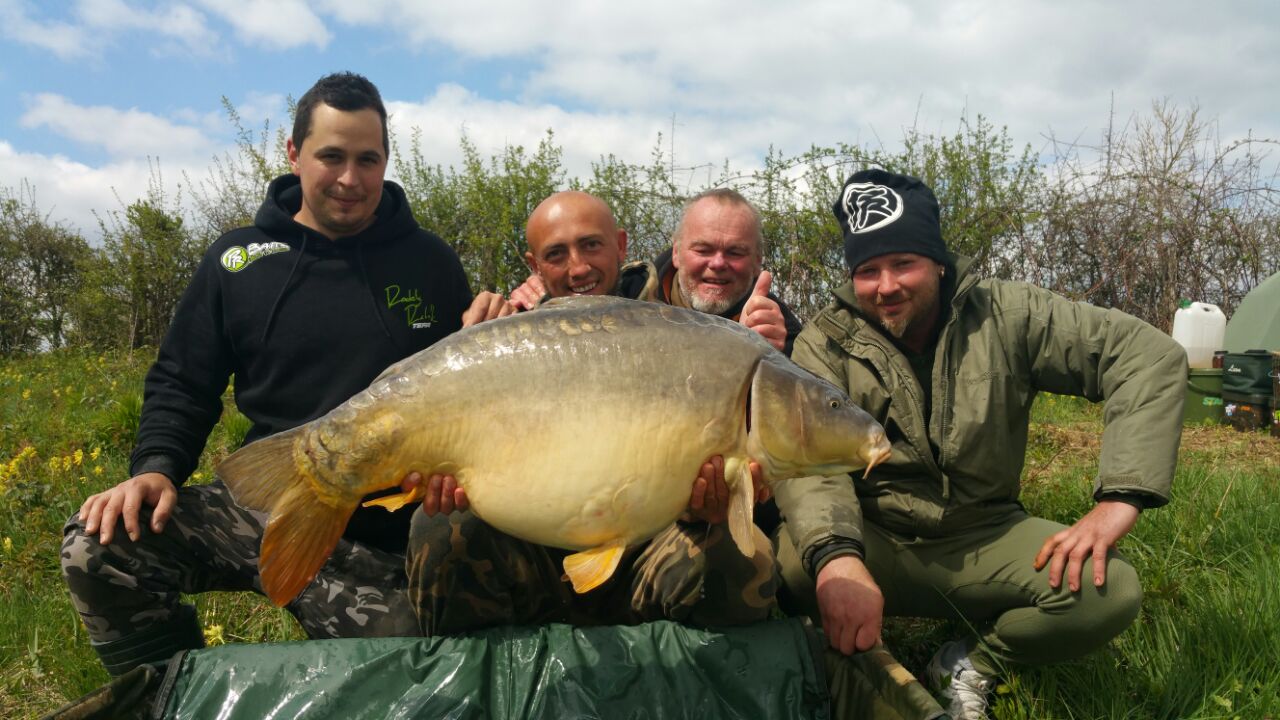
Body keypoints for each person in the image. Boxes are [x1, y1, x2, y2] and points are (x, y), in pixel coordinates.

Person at [60, 72, 485, 677]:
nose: (350, 179)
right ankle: (168, 698)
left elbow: (463, 393)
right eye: (331, 156)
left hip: (377, 540)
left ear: (387, 161)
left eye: (369, 160)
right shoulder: (236, 260)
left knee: (416, 678)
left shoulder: (432, 261)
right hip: (258, 511)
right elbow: (183, 381)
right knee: (97, 545)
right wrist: (155, 469)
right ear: (293, 153)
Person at [772, 168, 1186, 719]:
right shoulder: (824, 342)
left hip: (983, 531)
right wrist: (835, 560)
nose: (886, 285)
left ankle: (972, 664)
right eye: (867, 270)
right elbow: (812, 468)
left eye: (903, 263)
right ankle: (837, 650)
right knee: (768, 574)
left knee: (1106, 592)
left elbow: (1146, 355)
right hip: (874, 536)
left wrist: (1120, 499)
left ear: (938, 263)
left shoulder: (1007, 313)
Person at [404, 190, 782, 636]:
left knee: (748, 557)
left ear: (621, 246)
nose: (579, 267)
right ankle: (490, 690)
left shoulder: (681, 335)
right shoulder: (510, 339)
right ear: (534, 265)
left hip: (646, 555)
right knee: (439, 527)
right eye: (556, 254)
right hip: (536, 553)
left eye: (591, 246)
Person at [508, 188, 803, 354]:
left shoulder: (781, 333)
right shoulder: (630, 294)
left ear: (757, 261)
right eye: (702, 249)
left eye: (735, 252)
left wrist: (771, 356)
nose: (717, 263)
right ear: (676, 252)